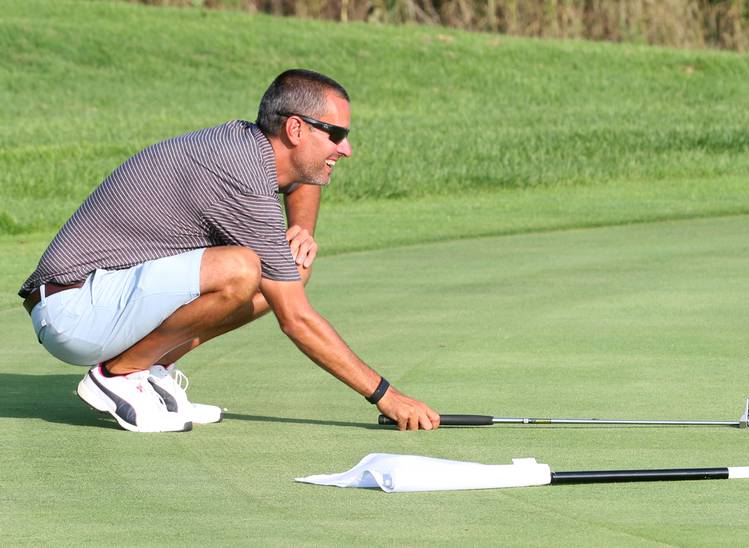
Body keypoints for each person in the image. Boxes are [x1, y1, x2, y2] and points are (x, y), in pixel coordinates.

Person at [20, 69, 440, 433]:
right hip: (74, 311)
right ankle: (118, 376)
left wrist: (301, 229)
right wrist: (386, 396)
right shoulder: (239, 177)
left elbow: (303, 179)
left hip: (102, 296)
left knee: (289, 265)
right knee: (241, 268)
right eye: (336, 135)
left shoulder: (252, 147)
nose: (346, 149)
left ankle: (150, 368)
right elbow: (296, 320)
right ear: (295, 129)